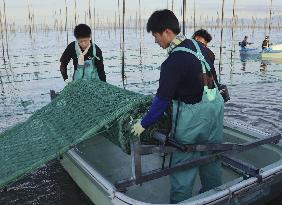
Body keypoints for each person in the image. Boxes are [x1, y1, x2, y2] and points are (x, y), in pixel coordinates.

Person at [131, 10, 224, 203]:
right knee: (212, 156)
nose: (155, 41)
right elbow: (211, 78)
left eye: (155, 36)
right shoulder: (202, 48)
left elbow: (161, 101)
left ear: (166, 32)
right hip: (214, 111)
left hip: (192, 120)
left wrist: (143, 124)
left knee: (183, 166)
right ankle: (216, 197)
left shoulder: (172, 62)